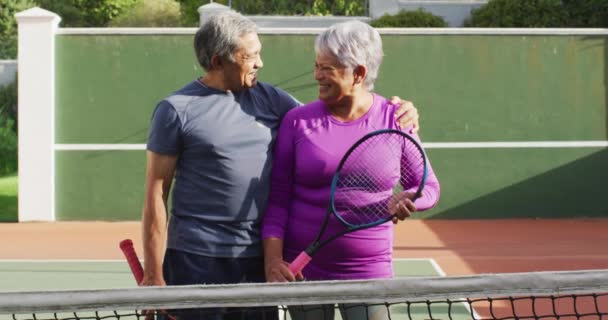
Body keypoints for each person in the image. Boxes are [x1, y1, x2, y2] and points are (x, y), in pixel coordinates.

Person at [141, 11, 421, 320]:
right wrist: (153, 274)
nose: (260, 63)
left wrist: (400, 110)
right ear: (219, 61)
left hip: (256, 260)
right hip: (195, 258)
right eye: (251, 56)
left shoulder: (272, 100)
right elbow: (156, 193)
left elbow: (331, 123)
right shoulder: (175, 110)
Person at [261, 20, 441, 320]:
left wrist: (411, 198)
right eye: (316, 65)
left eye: (327, 68)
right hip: (304, 271)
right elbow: (278, 199)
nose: (317, 75)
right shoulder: (297, 122)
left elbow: (429, 187)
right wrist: (273, 259)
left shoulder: (396, 119)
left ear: (358, 73)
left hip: (369, 272)